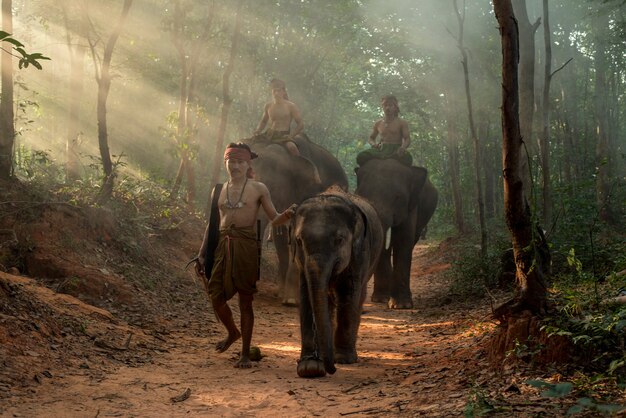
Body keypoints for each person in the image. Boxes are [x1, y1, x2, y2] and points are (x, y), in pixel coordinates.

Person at [195, 142, 296, 369]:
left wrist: (287, 215)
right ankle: (232, 332)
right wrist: (201, 254)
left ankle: (244, 355)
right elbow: (212, 225)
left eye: (240, 161)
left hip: (246, 246)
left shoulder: (259, 188)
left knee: (245, 300)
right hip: (222, 245)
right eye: (232, 161)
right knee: (215, 296)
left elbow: (274, 217)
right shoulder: (218, 190)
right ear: (226, 163)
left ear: (248, 164)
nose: (236, 166)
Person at [356, 95, 413, 167]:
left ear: (395, 107)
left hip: (396, 150)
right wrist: (374, 144)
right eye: (385, 105)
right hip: (381, 149)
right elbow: (371, 138)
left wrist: (402, 148)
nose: (387, 108)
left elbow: (407, 139)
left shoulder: (402, 123)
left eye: (390, 105)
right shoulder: (378, 123)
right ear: (382, 107)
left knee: (408, 159)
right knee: (361, 156)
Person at [253, 78, 304, 157]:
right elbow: (263, 121)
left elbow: (301, 124)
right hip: (269, 135)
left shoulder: (291, 106)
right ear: (272, 92)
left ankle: (301, 167)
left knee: (292, 148)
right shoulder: (268, 106)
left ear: (283, 92)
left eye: (279, 91)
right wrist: (258, 130)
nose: (276, 93)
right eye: (274, 91)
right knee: (252, 146)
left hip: (283, 136)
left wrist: (291, 136)